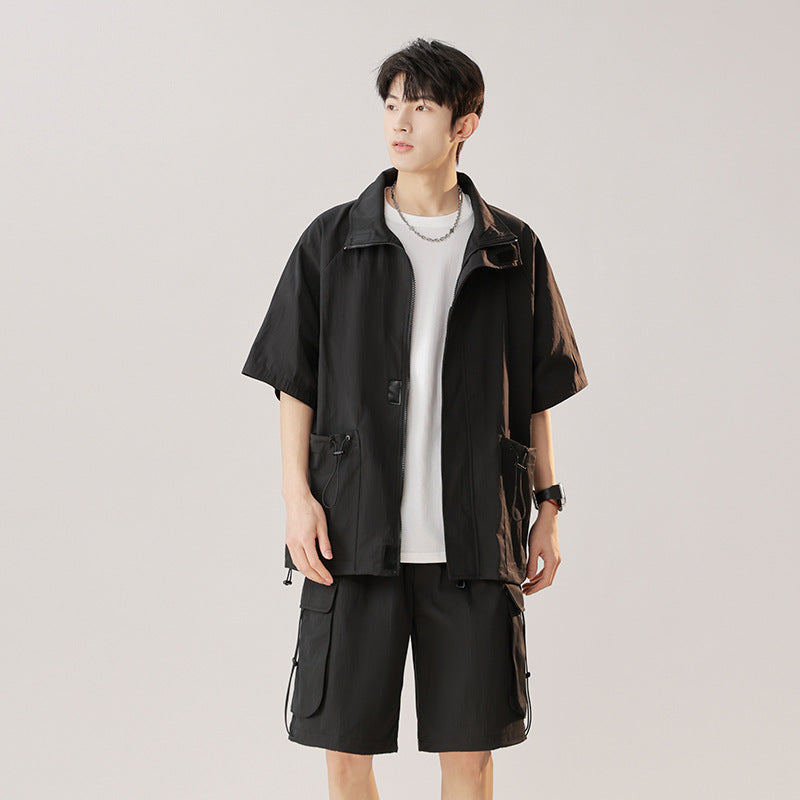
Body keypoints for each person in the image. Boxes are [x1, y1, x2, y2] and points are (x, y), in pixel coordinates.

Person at [241, 37, 588, 800]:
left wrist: (549, 507)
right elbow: (293, 381)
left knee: (471, 756)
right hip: (353, 534)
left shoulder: (512, 249)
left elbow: (535, 392)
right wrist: (296, 499)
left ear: (464, 125)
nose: (399, 121)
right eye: (392, 103)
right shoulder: (334, 240)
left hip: (474, 538)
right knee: (344, 749)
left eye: (422, 106)